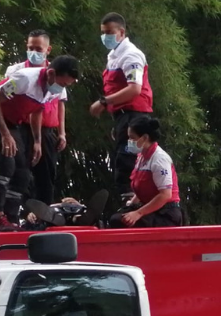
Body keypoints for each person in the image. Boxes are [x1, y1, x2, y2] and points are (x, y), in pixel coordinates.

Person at [0, 55, 79, 232]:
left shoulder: (54, 89)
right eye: (63, 83)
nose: (63, 88)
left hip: (12, 123)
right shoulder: (24, 79)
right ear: (52, 73)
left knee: (23, 172)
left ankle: (11, 218)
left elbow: (37, 112)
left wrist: (37, 142)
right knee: (7, 159)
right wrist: (4, 134)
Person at [89, 12, 154, 201]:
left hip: (136, 115)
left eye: (109, 32)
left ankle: (134, 204)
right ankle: (129, 203)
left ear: (121, 32)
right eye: (103, 33)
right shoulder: (113, 56)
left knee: (128, 163)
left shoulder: (131, 55)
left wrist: (103, 102)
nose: (105, 37)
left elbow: (134, 89)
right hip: (123, 116)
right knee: (122, 161)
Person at [5, 29, 67, 206]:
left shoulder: (57, 73)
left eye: (38, 49)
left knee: (46, 175)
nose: (34, 52)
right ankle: (18, 215)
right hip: (20, 127)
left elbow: (61, 102)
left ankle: (44, 216)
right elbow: (3, 99)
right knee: (20, 172)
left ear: (48, 50)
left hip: (47, 130)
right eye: (30, 48)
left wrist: (62, 133)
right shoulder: (16, 70)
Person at [109, 117, 182, 228]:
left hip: (165, 215)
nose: (129, 141)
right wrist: (131, 205)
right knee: (117, 216)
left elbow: (165, 195)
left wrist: (138, 213)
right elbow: (141, 190)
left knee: (117, 221)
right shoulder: (141, 157)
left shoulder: (159, 159)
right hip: (151, 210)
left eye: (132, 138)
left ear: (144, 138)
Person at [24, 190, 109, 228]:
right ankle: (57, 219)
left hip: (78, 215)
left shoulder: (80, 206)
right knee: (54, 215)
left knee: (80, 216)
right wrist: (34, 215)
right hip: (55, 214)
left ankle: (82, 219)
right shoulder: (53, 206)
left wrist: (78, 206)